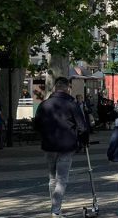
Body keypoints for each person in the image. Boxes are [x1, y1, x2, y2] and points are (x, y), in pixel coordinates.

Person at [34, 77, 88, 218]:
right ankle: (56, 210)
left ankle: (55, 208)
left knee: (52, 179)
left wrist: (45, 134)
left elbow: (36, 125)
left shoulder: (44, 104)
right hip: (67, 145)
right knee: (62, 179)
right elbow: (82, 127)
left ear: (55, 88)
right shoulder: (72, 104)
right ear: (67, 88)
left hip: (49, 145)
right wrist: (83, 141)